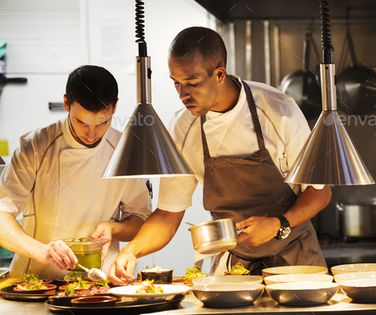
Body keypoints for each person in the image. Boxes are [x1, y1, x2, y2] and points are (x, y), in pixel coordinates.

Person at [109, 27, 332, 284]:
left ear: (219, 74)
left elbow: (320, 191)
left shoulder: (278, 110)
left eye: (192, 84)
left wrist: (278, 224)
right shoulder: (183, 128)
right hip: (235, 266)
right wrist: (131, 251)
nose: (183, 95)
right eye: (176, 83)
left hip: (296, 259)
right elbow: (169, 214)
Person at [0, 65, 151, 279]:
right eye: (81, 122)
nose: (91, 134)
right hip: (36, 282)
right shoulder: (35, 147)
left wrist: (113, 228)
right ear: (66, 104)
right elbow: (1, 215)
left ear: (114, 108)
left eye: (102, 122)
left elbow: (140, 220)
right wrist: (41, 251)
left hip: (99, 283)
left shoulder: (125, 150)